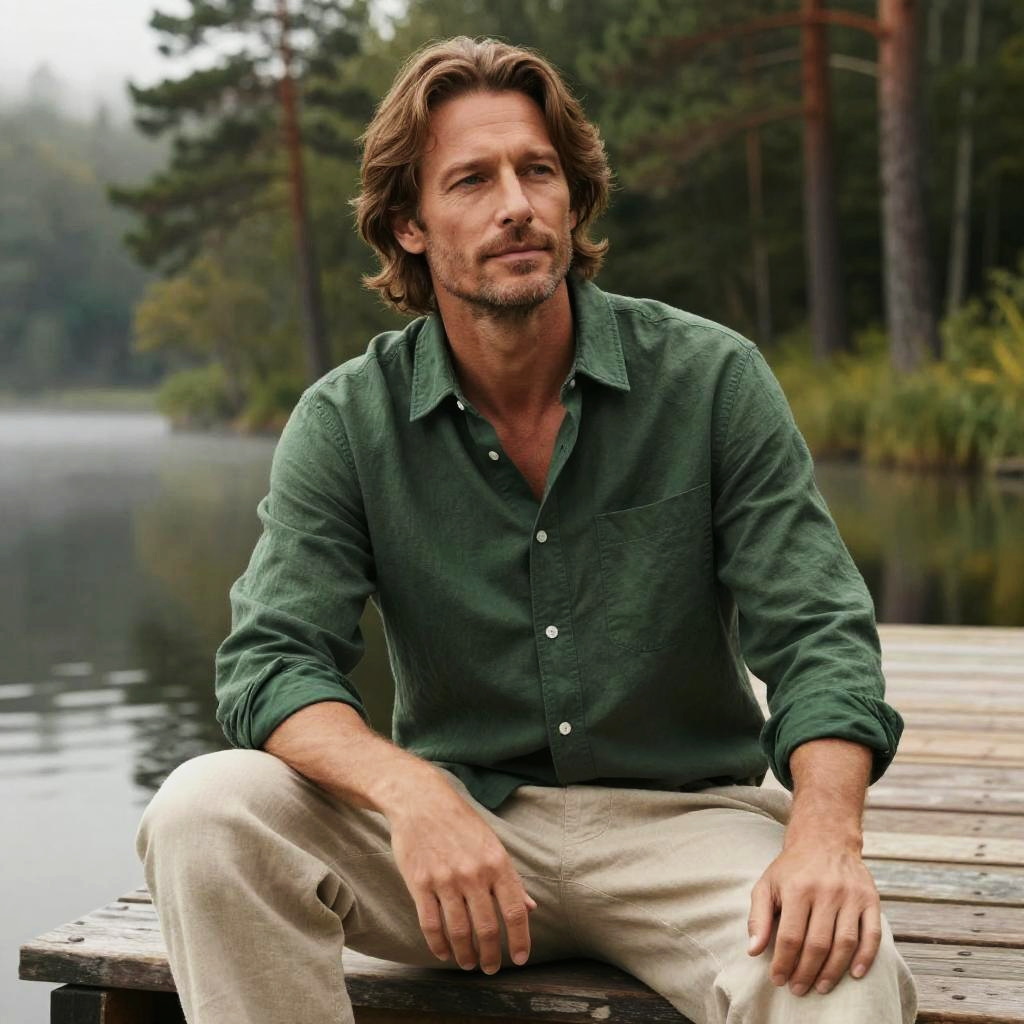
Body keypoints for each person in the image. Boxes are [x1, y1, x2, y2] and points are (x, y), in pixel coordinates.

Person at [135, 36, 918, 1024]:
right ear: (408, 225)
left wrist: (822, 838)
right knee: (206, 810)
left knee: (836, 968)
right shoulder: (346, 420)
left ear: (572, 194)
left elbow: (819, 638)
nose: (515, 204)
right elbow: (272, 662)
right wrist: (414, 798)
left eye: (537, 171)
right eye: (470, 179)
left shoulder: (711, 380)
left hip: (688, 828)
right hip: (455, 832)